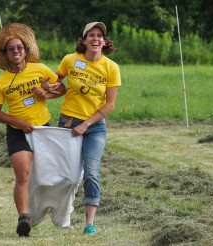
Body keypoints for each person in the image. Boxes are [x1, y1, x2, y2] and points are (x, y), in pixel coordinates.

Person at [0, 23, 65, 237]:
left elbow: (62, 89)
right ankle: (23, 218)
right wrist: (19, 123)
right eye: (11, 49)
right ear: (5, 53)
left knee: (47, 174)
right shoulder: (0, 81)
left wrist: (46, 94)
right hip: (17, 132)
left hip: (43, 130)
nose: (16, 52)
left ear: (26, 50)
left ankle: (48, 208)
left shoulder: (39, 69)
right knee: (22, 175)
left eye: (19, 47)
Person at [50, 22, 121, 234]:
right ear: (83, 40)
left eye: (100, 35)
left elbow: (110, 104)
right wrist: (45, 88)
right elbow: (57, 84)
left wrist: (86, 125)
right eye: (91, 35)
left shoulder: (111, 67)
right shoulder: (70, 60)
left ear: (104, 41)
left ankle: (89, 223)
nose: (96, 39)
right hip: (68, 124)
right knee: (69, 175)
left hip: (94, 127)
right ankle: (63, 212)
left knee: (91, 172)